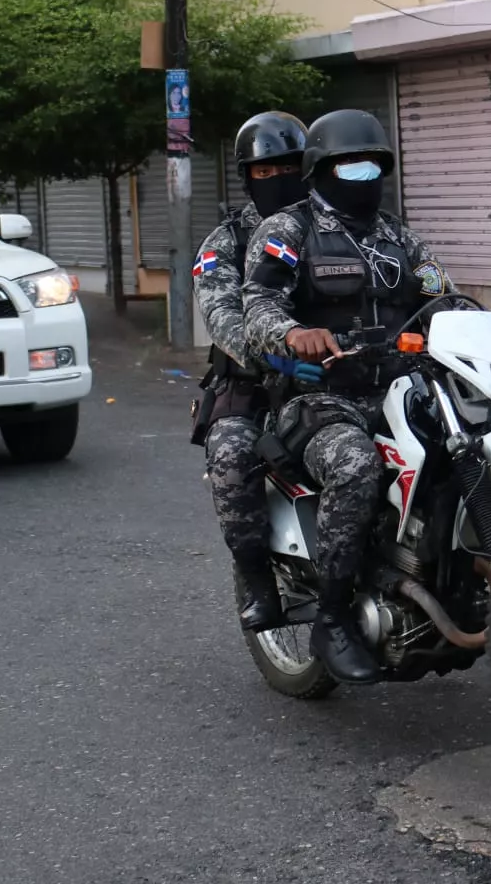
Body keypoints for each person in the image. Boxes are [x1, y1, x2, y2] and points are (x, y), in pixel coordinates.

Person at [242, 109, 491, 682]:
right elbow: (257, 305)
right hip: (323, 398)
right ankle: (333, 616)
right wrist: (294, 334)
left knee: (473, 448)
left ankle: (446, 569)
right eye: (349, 167)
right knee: (356, 465)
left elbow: (445, 298)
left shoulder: (399, 237)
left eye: (372, 167)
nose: (362, 177)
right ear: (320, 170)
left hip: (405, 387)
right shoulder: (288, 232)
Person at [190, 110, 313, 633]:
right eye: (263, 173)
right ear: (246, 178)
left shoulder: (332, 228)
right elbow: (223, 319)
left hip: (339, 375)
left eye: (286, 168)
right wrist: (278, 355)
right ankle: (259, 580)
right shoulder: (224, 243)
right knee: (233, 461)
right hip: (252, 386)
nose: (276, 180)